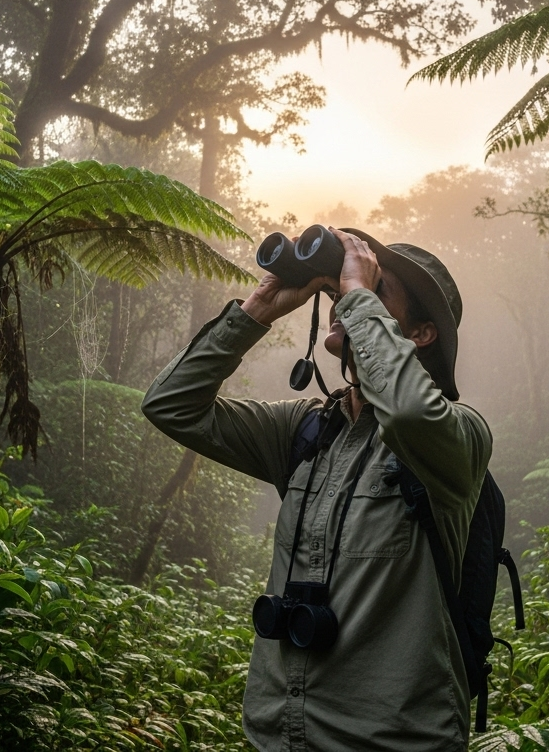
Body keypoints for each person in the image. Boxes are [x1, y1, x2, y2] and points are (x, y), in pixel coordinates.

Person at [143, 226, 491, 751]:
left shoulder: (458, 437)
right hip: (279, 734)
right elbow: (170, 404)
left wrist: (355, 295)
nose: (345, 303)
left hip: (391, 742)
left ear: (420, 334)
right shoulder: (306, 429)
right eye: (343, 294)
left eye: (376, 291)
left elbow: (413, 411)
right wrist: (258, 307)